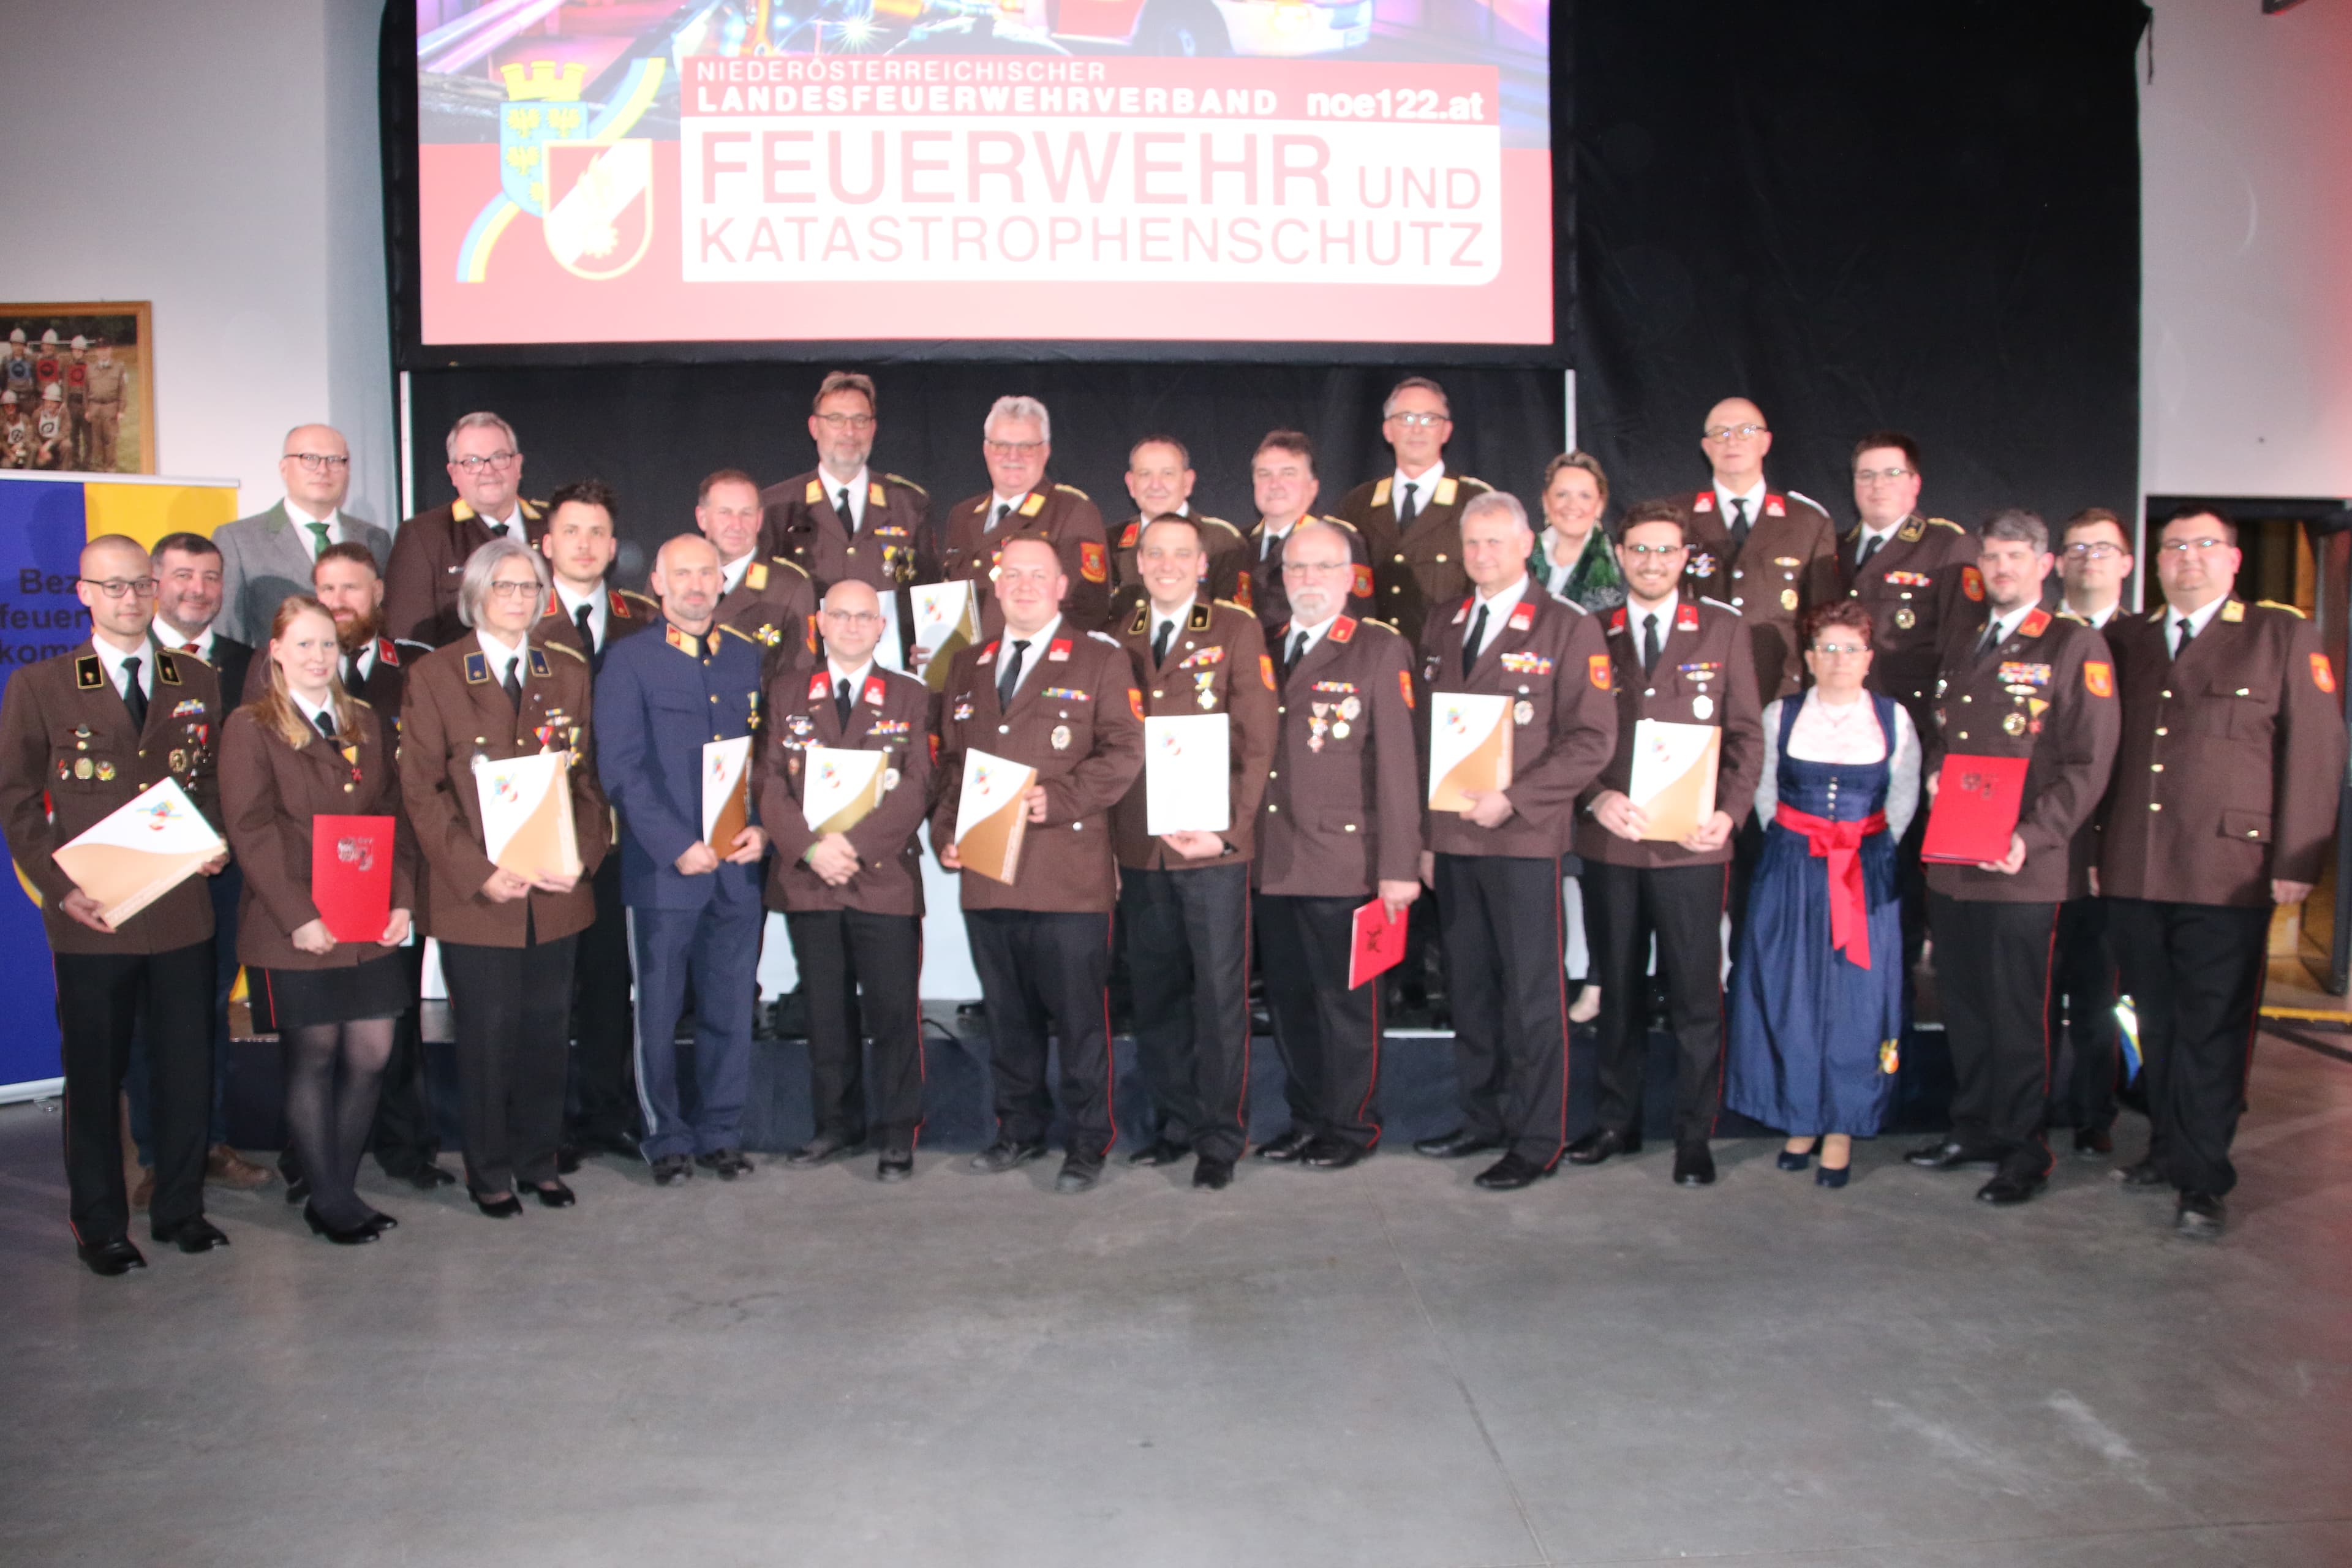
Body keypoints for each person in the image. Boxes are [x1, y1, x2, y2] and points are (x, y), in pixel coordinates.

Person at [2098, 507, 2347, 1238]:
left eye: (2205, 546)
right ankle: (2168, 1148)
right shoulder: (2128, 640)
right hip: (2136, 869)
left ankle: (2203, 1179)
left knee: (2214, 1028)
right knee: (2158, 1025)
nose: (2187, 559)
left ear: (2234, 561)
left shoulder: (2281, 635)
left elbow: (2317, 752)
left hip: (2228, 872)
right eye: (2173, 547)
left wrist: (2298, 859)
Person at [0, 537, 231, 1274]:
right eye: (114, 586)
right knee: (96, 1077)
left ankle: (181, 1207)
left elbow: (212, 783)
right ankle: (99, 1221)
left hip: (179, 910)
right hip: (92, 916)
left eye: (140, 585)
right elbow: (16, 800)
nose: (130, 599)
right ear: (84, 593)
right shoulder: (42, 685)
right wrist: (62, 888)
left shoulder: (196, 677)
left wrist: (217, 837)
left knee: (186, 1067)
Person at [1906, 508, 2118, 1207]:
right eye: (1991, 558)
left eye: (2014, 558)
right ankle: (1973, 1128)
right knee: (1964, 1005)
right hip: (1957, 861)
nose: (2000, 570)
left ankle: (2025, 1149)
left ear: (2044, 564)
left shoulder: (2072, 644)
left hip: (2024, 866)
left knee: (2020, 1013)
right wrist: (1936, 771)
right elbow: (1942, 730)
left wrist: (2032, 835)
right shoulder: (1966, 641)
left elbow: (2089, 765)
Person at [1411, 492, 1616, 1190]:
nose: (1482, 556)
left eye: (1496, 542)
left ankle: (1537, 1136)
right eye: (1472, 544)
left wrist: (1517, 798)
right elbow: (1425, 739)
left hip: (1525, 839)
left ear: (1527, 543)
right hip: (1455, 840)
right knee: (1469, 989)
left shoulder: (1566, 627)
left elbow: (1593, 739)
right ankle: (1483, 1116)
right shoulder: (1444, 622)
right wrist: (1426, 838)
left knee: (1532, 997)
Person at [400, 537, 608, 1216]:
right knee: (488, 1037)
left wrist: (582, 857)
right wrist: (478, 872)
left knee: (548, 1033)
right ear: (476, 596)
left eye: (528, 587)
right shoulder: (436, 675)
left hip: (554, 891)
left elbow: (585, 778)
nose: (518, 599)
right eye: (505, 587)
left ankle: (538, 1160)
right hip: (479, 896)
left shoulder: (567, 670)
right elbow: (423, 791)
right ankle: (489, 1171)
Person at [932, 536, 1145, 1192]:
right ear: (996, 585)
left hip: (1067, 875)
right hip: (989, 874)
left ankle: (1087, 1141)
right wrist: (947, 833)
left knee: (1080, 1021)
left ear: (1062, 587)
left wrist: (1061, 798)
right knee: (1007, 1016)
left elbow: (1123, 751)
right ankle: (1018, 1128)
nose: (1023, 584)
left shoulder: (1100, 659)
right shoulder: (968, 664)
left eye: (1038, 574)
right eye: (1012, 573)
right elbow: (952, 767)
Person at [1570, 500, 1765, 1186]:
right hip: (1612, 845)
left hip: (1692, 845)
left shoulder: (1722, 630)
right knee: (1617, 991)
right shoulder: (1590, 630)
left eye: (1666, 550)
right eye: (1640, 550)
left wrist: (1732, 814)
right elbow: (1572, 738)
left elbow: (1745, 737)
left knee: (1694, 997)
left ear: (1687, 556)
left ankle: (1694, 1135)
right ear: (1620, 554)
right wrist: (1596, 795)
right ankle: (1616, 1123)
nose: (1653, 562)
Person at [220, 598, 418, 1243]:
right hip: (294, 924)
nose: (316, 657)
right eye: (302, 645)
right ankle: (330, 1199)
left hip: (366, 917)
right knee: (315, 1054)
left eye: (327, 645)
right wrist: (299, 915)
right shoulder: (251, 727)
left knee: (373, 1050)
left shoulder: (362, 719)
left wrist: (402, 899)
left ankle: (339, 1187)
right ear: (274, 651)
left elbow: (392, 815)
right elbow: (250, 831)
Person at [1723, 601, 1922, 1187]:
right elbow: (1762, 792)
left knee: (1857, 1001)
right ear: (1809, 659)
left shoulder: (1893, 719)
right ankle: (1801, 1116)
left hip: (1865, 875)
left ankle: (1843, 1124)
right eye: (1827, 650)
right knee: (1791, 993)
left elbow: (1904, 798)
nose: (1839, 661)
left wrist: (1867, 849)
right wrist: (1799, 842)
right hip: (1792, 871)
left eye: (1851, 649)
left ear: (1869, 658)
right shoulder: (1781, 715)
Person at [596, 534, 770, 1185]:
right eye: (683, 574)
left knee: (730, 1007)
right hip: (665, 870)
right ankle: (665, 1135)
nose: (697, 585)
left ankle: (722, 1131)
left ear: (722, 584)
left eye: (708, 573)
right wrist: (676, 844)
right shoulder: (630, 661)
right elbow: (621, 768)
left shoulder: (747, 659)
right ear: (659, 586)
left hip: (738, 867)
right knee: (660, 1010)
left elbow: (769, 760)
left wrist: (762, 829)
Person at [1111, 515, 1278, 1191]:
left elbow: (1259, 740)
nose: (1168, 564)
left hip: (1210, 849)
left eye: (1182, 554)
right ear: (1139, 563)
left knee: (1217, 999)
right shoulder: (1118, 634)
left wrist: (1231, 831)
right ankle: (1175, 1125)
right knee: (1156, 998)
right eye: (1155, 553)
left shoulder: (1236, 628)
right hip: (1139, 847)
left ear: (1202, 563)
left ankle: (1220, 1135)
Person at [1251, 522, 1422, 1170]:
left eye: (1323, 568)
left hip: (1349, 863)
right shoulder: (1265, 647)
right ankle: (1306, 1118)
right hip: (1275, 859)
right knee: (1291, 1007)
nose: (1308, 580)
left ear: (1350, 578)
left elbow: (1401, 767)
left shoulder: (1378, 648)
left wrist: (1400, 869)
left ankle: (1352, 1128)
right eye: (1296, 568)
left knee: (1347, 1009)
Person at [760, 579, 936, 1182]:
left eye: (866, 616)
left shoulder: (911, 695)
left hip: (882, 879)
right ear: (821, 622)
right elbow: (769, 784)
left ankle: (896, 1132)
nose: (854, 625)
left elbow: (918, 786)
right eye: (842, 615)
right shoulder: (785, 691)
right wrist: (812, 849)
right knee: (826, 1012)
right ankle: (835, 1124)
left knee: (892, 1013)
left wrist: (853, 848)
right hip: (812, 880)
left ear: (883, 627)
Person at [298, 542, 450, 1191]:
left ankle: (404, 1147)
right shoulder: (289, 670)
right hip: (311, 882)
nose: (338, 602)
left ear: (379, 594)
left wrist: (408, 887)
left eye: (351, 589)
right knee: (315, 1032)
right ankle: (308, 1162)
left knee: (395, 1020)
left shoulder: (416, 668)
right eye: (326, 589)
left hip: (391, 878)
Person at [126, 533, 266, 1198]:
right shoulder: (130, 660)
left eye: (211, 578)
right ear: (155, 581)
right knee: (150, 1013)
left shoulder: (248, 664)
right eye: (183, 576)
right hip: (145, 869)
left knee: (209, 1007)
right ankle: (158, 1154)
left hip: (224, 870)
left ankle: (209, 1142)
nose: (198, 590)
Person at [530, 480, 656, 1163]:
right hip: (546, 830)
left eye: (597, 533)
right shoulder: (519, 615)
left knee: (612, 979)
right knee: (551, 985)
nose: (584, 544)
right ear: (547, 544)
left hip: (624, 832)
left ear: (613, 547)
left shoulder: (642, 618)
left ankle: (606, 1110)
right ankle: (546, 1125)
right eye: (571, 531)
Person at [2046, 508, 2136, 1156]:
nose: (2088, 561)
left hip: (2113, 849)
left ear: (2127, 562)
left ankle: (2094, 1111)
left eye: (2102, 549)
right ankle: (2043, 1101)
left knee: (2098, 990)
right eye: (2076, 549)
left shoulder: (2148, 642)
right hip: (2045, 842)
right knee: (2037, 988)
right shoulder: (2035, 635)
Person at [760, 371, 934, 669]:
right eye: (836, 419)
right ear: (815, 427)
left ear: (873, 428)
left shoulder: (908, 504)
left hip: (891, 678)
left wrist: (931, 640)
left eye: (860, 420)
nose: (849, 431)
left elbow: (930, 590)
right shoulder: (776, 506)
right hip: (805, 674)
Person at [1685, 398, 1839, 703]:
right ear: (1706, 447)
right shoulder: (1676, 517)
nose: (1733, 441)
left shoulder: (1807, 522)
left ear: (1766, 442)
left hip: (1781, 688)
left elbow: (1823, 622)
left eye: (1746, 431)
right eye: (1721, 433)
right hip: (1697, 686)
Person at [936, 396, 1112, 637]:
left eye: (1026, 447)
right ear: (986, 450)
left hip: (1034, 666)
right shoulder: (963, 515)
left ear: (1046, 451)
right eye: (1001, 446)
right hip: (967, 669)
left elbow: (1087, 610)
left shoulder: (1072, 510)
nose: (1013, 456)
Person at [1336, 376, 1494, 639]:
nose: (1417, 430)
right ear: (1387, 430)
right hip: (1374, 661)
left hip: (1446, 659)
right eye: (1406, 419)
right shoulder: (1358, 504)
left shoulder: (1476, 501)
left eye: (1430, 419)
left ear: (1446, 431)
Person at [214, 426, 391, 649]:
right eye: (309, 458)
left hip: (360, 681)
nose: (323, 470)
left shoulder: (375, 538)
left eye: (335, 460)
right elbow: (228, 635)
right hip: (275, 680)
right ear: (284, 468)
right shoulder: (238, 540)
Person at [383, 412, 545, 647]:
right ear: (453, 474)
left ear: (518, 465)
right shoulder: (424, 536)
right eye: (472, 462)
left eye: (499, 457)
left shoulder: (555, 528)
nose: (488, 471)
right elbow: (409, 644)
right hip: (464, 681)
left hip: (551, 678)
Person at [1241, 430, 1371, 636]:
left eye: (1288, 473)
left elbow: (1356, 622)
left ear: (1313, 488)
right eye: (1264, 474)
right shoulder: (1239, 543)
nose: (1275, 484)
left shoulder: (1338, 540)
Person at [1111, 435, 1251, 620]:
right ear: (1131, 484)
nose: (1156, 485)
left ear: (1188, 482)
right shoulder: (1110, 542)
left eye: (1167, 474)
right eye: (1145, 474)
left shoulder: (1224, 542)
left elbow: (1235, 623)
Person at [699, 467, 817, 682]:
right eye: (725, 512)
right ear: (702, 518)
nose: (736, 525)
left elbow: (798, 683)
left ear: (760, 519)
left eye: (746, 513)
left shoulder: (790, 586)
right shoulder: (674, 572)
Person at [1532, 451, 1623, 614]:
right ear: (1546, 502)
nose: (1572, 505)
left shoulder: (1620, 564)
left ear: (1599, 506)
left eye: (1585, 496)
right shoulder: (1520, 558)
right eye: (1562, 495)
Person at [80, 337, 129, 472]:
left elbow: (123, 390)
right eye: (100, 350)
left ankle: (110, 467)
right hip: (95, 408)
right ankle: (99, 468)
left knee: (110, 439)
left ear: (110, 350)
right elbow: (85, 390)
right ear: (97, 352)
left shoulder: (119, 367)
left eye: (106, 349)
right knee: (96, 441)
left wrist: (121, 410)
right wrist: (87, 410)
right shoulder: (90, 369)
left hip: (110, 407)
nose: (103, 353)